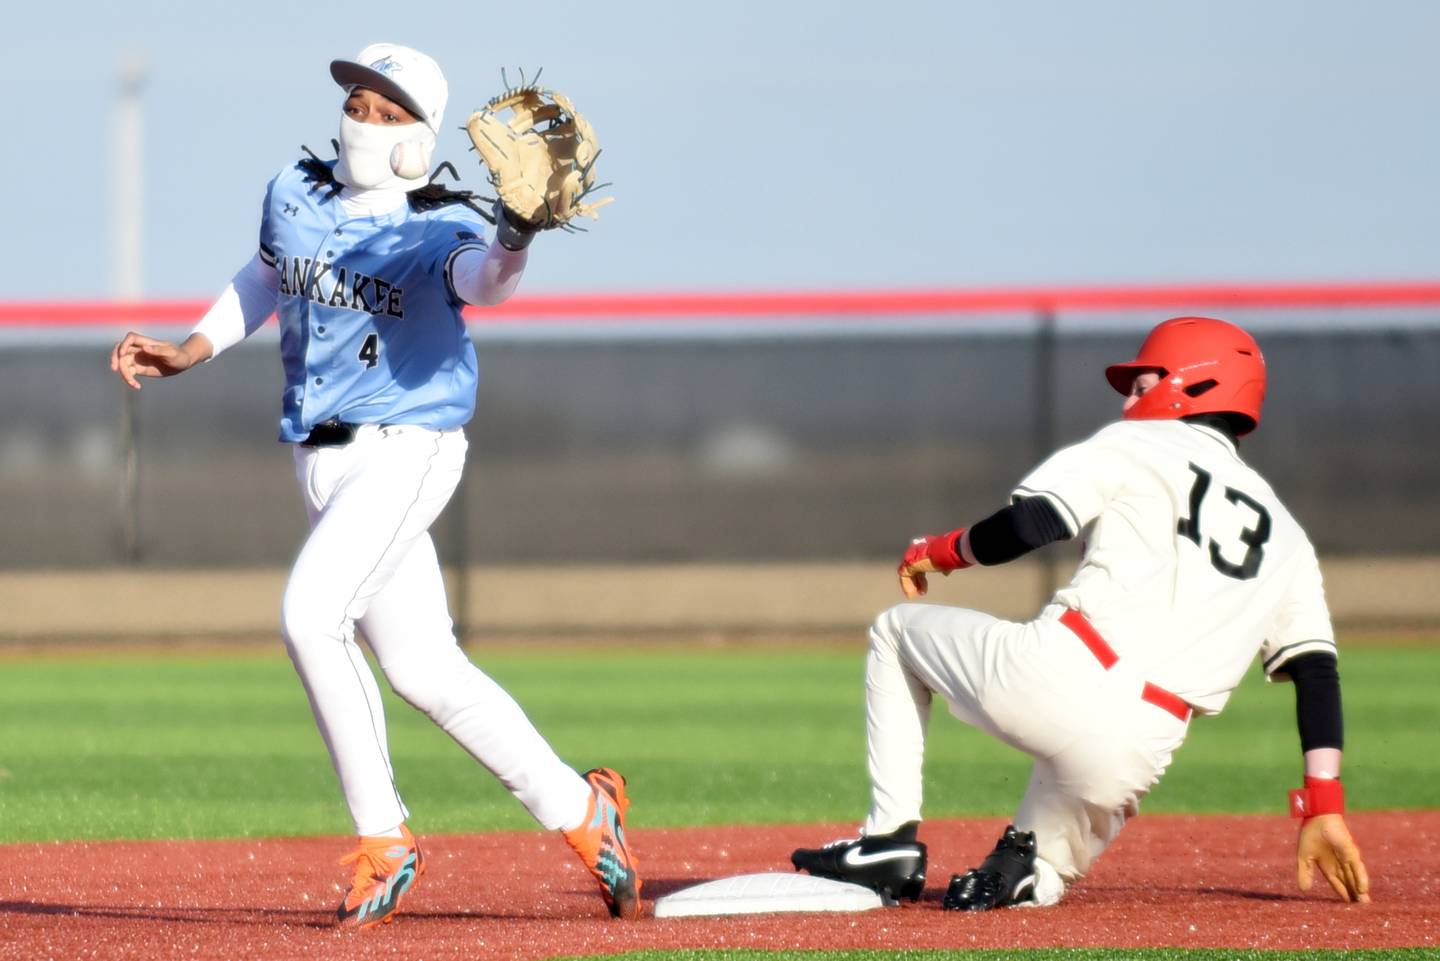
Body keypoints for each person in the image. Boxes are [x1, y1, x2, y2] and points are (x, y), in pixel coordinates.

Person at [109, 43, 641, 928]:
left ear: (421, 137)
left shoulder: (437, 227)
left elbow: (489, 283)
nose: (367, 116)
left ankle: (385, 840)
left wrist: (516, 233)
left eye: (391, 110)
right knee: (427, 671)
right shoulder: (296, 189)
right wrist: (192, 347)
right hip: (320, 459)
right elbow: (266, 274)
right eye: (359, 99)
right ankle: (587, 811)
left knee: (308, 616)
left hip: (407, 448)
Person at [790, 316, 1371, 910]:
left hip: (1065, 668)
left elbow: (1028, 525)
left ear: (1195, 386)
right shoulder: (1291, 539)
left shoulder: (1138, 443)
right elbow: (1316, 672)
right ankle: (1026, 869)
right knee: (1026, 875)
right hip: (1141, 746)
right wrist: (1322, 805)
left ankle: (887, 841)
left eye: (1143, 384)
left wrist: (939, 551)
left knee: (894, 632)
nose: (1128, 398)